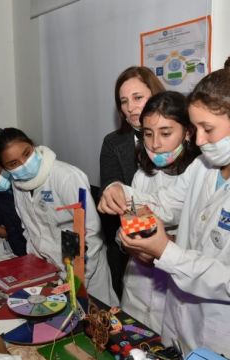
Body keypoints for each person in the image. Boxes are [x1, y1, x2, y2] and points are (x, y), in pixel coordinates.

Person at [98, 49, 230, 360]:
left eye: (208, 129)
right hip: (181, 324)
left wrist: (167, 253)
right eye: (195, 129)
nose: (200, 140)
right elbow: (165, 206)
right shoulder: (205, 169)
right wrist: (120, 191)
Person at [0, 128, 119, 306]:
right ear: (5, 168)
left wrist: (76, 279)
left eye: (27, 154)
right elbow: (29, 228)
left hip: (85, 273)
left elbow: (89, 232)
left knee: (96, 323)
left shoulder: (66, 177)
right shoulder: (17, 185)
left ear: (33, 145)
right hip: (50, 273)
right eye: (13, 163)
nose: (24, 163)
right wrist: (38, 269)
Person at [120, 91, 200, 334]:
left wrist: (164, 245)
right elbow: (130, 229)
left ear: (187, 132)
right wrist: (132, 245)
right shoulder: (142, 176)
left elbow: (201, 244)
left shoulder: (198, 176)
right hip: (137, 290)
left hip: (175, 297)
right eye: (148, 133)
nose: (155, 143)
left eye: (166, 133)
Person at [99, 66, 165, 299]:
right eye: (123, 101)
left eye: (138, 97)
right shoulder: (113, 142)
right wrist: (139, 243)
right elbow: (112, 187)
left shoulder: (182, 136)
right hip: (130, 243)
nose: (130, 107)